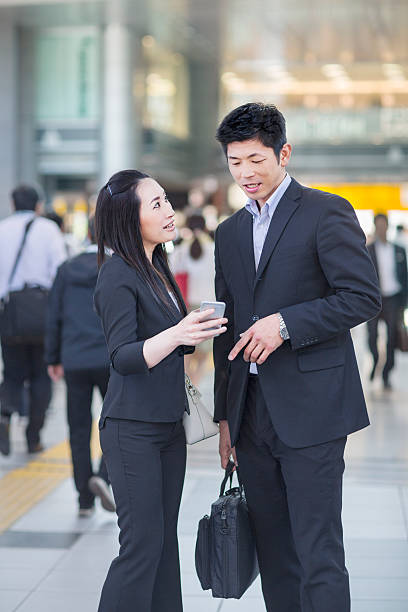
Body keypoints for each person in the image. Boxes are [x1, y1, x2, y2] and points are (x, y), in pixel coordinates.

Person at [213, 103, 381, 612]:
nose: (246, 173)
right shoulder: (229, 232)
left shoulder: (326, 211)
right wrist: (225, 418)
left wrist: (285, 325)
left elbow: (362, 296)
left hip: (313, 411)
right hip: (251, 416)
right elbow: (229, 331)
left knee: (318, 552)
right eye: (235, 161)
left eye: (256, 159)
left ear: (284, 154)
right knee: (275, 553)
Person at [93, 169, 227, 612]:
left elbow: (166, 339)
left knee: (164, 546)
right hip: (131, 429)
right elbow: (124, 357)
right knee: (142, 547)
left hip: (168, 425)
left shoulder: (158, 267)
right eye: (157, 204)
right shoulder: (117, 274)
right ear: (130, 219)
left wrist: (194, 331)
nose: (170, 210)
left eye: (167, 200)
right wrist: (177, 334)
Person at [45, 218, 116, 517]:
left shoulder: (66, 269)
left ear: (87, 234)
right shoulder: (118, 268)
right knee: (115, 422)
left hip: (74, 358)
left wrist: (53, 358)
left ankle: (83, 499)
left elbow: (53, 315)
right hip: (112, 359)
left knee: (78, 427)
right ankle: (103, 475)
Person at [0, 185, 66, 456]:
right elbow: (59, 270)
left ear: (13, 204)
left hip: (10, 313)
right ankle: (33, 437)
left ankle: (4, 416)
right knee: (41, 375)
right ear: (38, 205)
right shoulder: (48, 229)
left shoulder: (2, 229)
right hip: (42, 313)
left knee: (13, 373)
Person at [170, 214, 215, 384]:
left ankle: (188, 384)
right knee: (204, 353)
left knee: (187, 351)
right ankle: (195, 383)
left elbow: (172, 276)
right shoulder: (213, 248)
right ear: (205, 228)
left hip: (187, 306)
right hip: (209, 307)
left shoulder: (181, 251)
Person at [367, 214, 408, 389]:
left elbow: (405, 277)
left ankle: (386, 373)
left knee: (392, 338)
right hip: (374, 300)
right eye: (379, 225)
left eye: (384, 225)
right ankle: (376, 360)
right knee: (372, 337)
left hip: (393, 299)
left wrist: (404, 303)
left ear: (388, 226)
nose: (382, 228)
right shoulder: (368, 250)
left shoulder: (398, 249)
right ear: (375, 226)